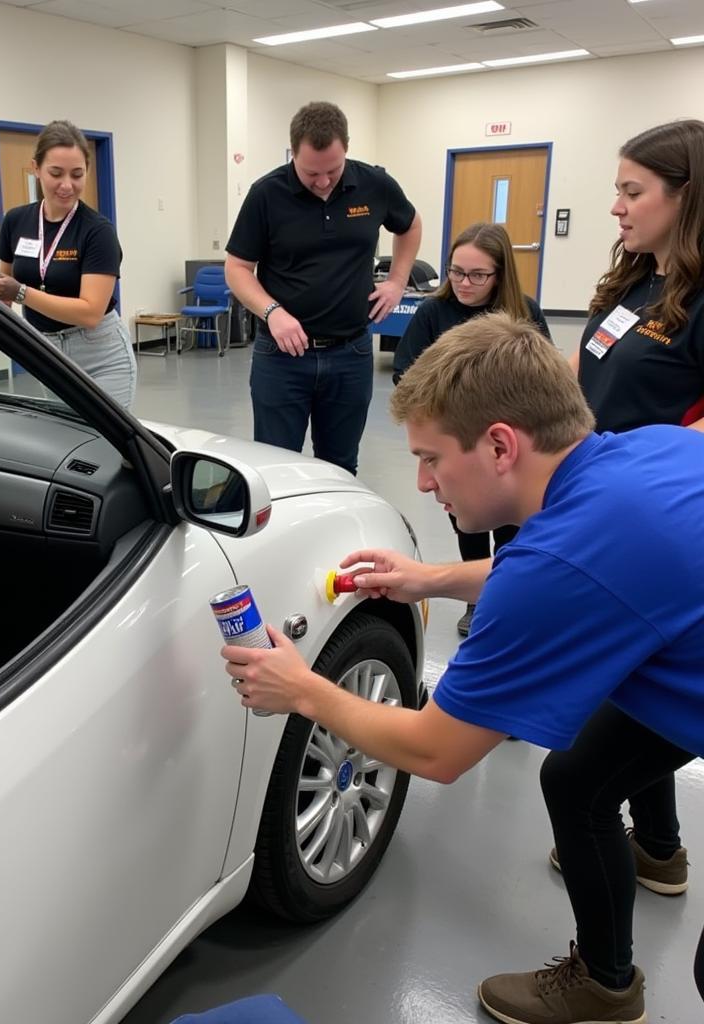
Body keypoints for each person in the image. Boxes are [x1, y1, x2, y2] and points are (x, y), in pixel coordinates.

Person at [220, 313, 704, 1024]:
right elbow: (581, 565)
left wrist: (304, 691)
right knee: (576, 779)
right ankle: (609, 980)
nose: (421, 482)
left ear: (501, 445)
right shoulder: (648, 449)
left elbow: (435, 751)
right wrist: (431, 579)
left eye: (431, 458)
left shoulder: (555, 566)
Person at [556, 119, 704, 903]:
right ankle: (660, 848)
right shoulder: (636, 281)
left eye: (631, 190)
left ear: (687, 197)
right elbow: (594, 382)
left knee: (615, 713)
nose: (616, 206)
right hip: (602, 503)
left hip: (655, 529)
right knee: (631, 689)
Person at [224, 101, 422, 476]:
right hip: (281, 358)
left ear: (346, 148)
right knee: (274, 466)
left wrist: (397, 281)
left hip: (351, 352)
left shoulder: (374, 184)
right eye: (310, 172)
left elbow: (410, 225)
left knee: (341, 466)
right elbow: (236, 268)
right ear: (293, 152)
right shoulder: (266, 194)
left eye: (333, 169)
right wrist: (272, 312)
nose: (323, 181)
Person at [394, 222, 551, 635]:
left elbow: (545, 378)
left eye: (477, 275)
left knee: (514, 526)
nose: (464, 283)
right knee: (467, 523)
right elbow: (404, 371)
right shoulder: (434, 312)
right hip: (458, 446)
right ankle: (474, 597)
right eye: (455, 271)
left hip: (507, 449)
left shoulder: (524, 312)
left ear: (500, 275)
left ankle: (511, 592)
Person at [0, 120, 137, 409]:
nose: (67, 185)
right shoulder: (16, 221)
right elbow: (6, 295)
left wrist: (20, 292)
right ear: (36, 168)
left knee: (105, 446)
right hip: (48, 352)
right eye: (56, 173)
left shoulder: (97, 231)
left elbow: (90, 312)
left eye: (77, 174)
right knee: (70, 440)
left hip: (100, 354)